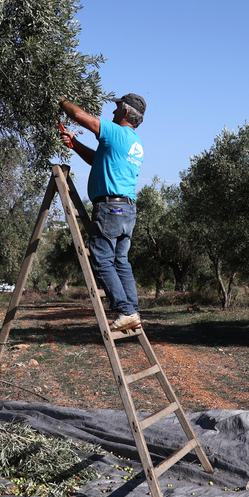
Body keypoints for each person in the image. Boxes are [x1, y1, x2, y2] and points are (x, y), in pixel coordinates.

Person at [57, 93, 146, 331]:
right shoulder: (133, 142)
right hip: (127, 209)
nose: (113, 112)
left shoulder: (117, 132)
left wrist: (61, 99)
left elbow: (79, 116)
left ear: (126, 112)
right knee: (121, 262)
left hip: (110, 207)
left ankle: (125, 310)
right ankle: (133, 310)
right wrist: (74, 144)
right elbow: (97, 160)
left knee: (101, 260)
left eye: (117, 108)